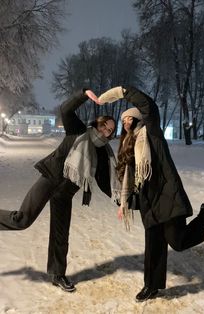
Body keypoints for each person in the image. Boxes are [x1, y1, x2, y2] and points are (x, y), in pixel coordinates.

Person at [97, 86, 204, 302]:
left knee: (178, 242)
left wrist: (121, 92)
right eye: (124, 121)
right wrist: (124, 202)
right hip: (149, 202)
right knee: (153, 247)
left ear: (139, 120)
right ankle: (151, 286)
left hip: (166, 195)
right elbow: (129, 178)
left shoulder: (151, 134)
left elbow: (148, 106)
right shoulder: (128, 146)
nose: (126, 123)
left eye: (130, 119)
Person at [0, 88, 119, 292]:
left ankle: (58, 275)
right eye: (105, 126)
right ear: (97, 123)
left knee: (60, 235)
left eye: (110, 130)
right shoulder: (78, 131)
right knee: (22, 220)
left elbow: (104, 182)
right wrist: (83, 95)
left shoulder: (102, 152)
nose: (106, 132)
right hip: (49, 180)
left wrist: (121, 200)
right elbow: (66, 109)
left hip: (65, 194)